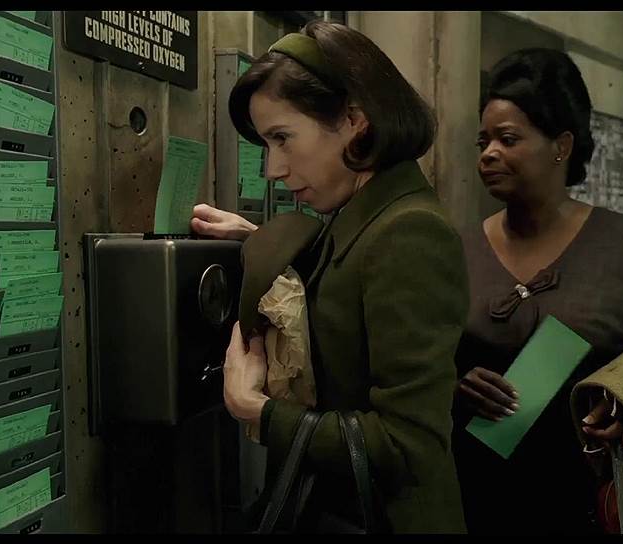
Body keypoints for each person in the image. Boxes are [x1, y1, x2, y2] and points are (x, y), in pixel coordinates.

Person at [197, 21, 470, 533]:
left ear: (354, 120)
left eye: (283, 138)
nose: (273, 169)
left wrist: (254, 409)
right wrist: (258, 240)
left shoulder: (410, 233)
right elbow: (343, 291)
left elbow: (408, 446)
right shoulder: (366, 218)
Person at [452, 48, 623, 534]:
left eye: (508, 139)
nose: (488, 153)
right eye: (483, 141)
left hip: (593, 499)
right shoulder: (458, 249)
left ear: (561, 146)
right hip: (476, 495)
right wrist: (455, 384)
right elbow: (421, 357)